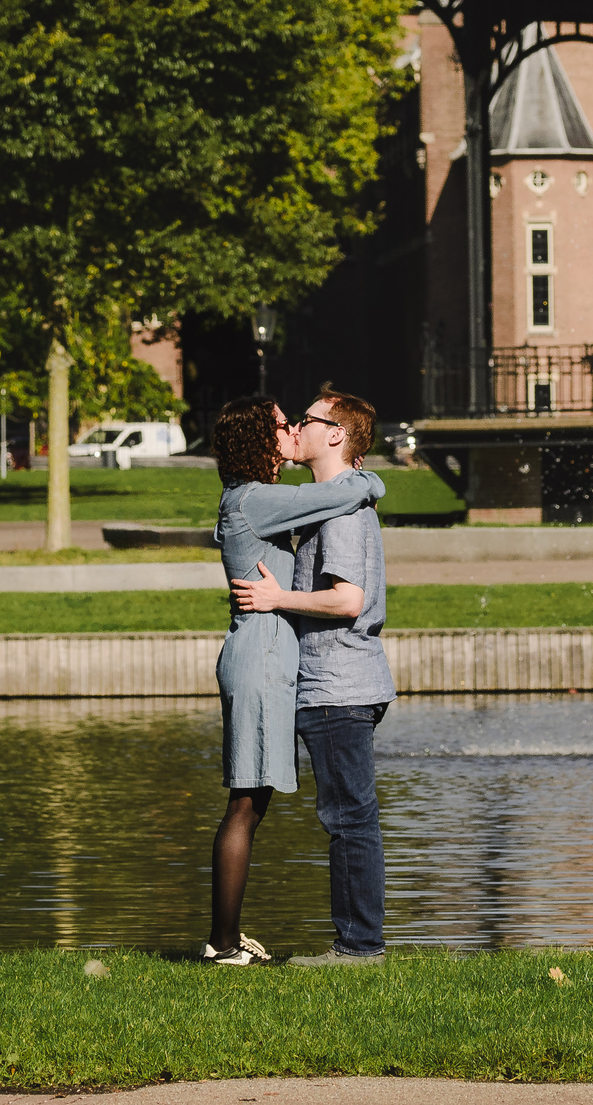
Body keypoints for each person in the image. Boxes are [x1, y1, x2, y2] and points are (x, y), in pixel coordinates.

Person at [199, 394, 385, 968]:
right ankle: (224, 945)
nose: (292, 430)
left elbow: (348, 586)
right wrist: (369, 479)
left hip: (300, 669)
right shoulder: (257, 500)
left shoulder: (269, 502)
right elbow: (338, 491)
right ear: (260, 439)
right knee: (247, 802)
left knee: (263, 805)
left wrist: (360, 476)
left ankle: (244, 941)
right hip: (263, 661)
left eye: (300, 422)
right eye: (283, 424)